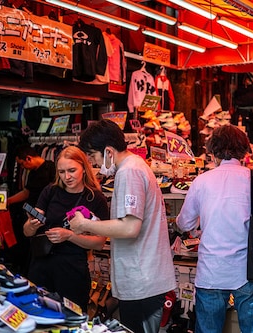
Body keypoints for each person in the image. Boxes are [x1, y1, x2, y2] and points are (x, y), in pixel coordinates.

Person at [69, 119, 176, 333]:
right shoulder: (133, 167)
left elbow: (130, 228)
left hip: (142, 280)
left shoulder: (129, 172)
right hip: (141, 278)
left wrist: (85, 224)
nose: (93, 163)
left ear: (108, 151)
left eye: (93, 156)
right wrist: (97, 224)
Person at [176, 125, 253, 333]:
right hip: (248, 270)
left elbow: (184, 223)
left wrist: (198, 227)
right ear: (243, 150)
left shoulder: (201, 181)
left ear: (213, 151)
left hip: (211, 271)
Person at [23, 146, 109, 311]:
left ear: (84, 168)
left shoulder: (95, 198)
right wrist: (31, 225)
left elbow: (99, 243)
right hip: (41, 264)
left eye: (72, 170)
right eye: (61, 172)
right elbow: (27, 233)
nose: (67, 177)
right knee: (38, 315)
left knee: (72, 317)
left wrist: (69, 236)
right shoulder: (51, 191)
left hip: (72, 269)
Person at [7, 144, 56, 275]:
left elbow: (27, 193)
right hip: (33, 213)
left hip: (43, 214)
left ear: (28, 158)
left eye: (22, 164)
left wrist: (8, 201)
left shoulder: (50, 168)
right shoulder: (35, 172)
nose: (23, 168)